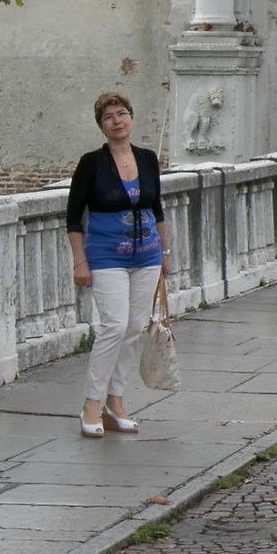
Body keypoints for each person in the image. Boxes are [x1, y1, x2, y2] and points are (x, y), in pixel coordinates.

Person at [65, 91, 165, 438]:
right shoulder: (92, 163)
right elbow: (73, 217)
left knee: (135, 328)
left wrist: (164, 256)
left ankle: (115, 402)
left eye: (122, 113)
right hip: (106, 256)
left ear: (132, 118)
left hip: (147, 256)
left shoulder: (148, 159)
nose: (117, 120)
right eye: (109, 116)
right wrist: (80, 261)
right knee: (113, 326)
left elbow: (158, 210)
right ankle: (91, 404)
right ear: (101, 125)